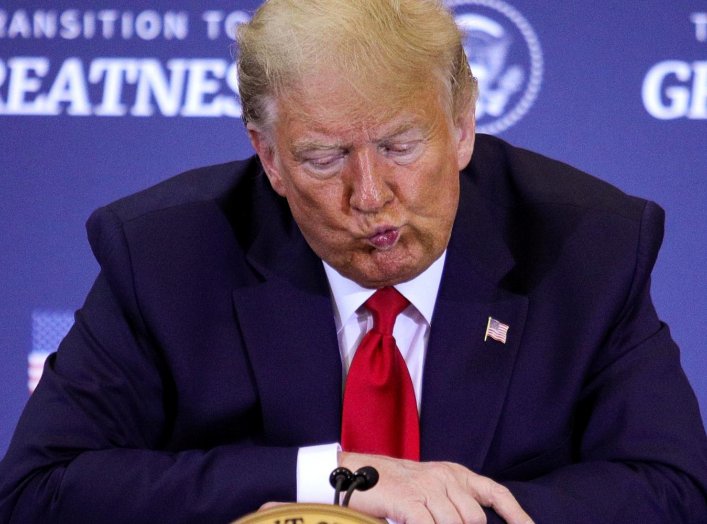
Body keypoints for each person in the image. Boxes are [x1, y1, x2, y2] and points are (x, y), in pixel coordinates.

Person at [1, 0, 706, 522]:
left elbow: (672, 489)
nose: (368, 196)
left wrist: (453, 511)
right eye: (324, 157)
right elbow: (40, 490)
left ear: (462, 129)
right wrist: (332, 479)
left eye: (400, 147)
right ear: (268, 157)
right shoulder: (165, 256)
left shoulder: (588, 245)